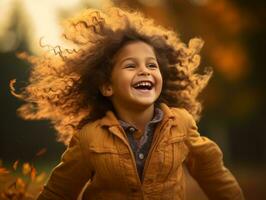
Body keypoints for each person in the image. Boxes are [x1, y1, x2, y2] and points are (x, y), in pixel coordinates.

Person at [13, 6, 244, 200]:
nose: (144, 71)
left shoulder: (181, 124)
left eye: (152, 65)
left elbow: (213, 173)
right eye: (131, 66)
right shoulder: (90, 137)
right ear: (107, 86)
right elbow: (59, 192)